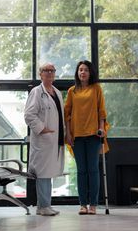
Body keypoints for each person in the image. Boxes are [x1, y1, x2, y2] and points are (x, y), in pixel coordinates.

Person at [64, 60, 108, 216]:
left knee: (93, 170)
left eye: (86, 70)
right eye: (80, 70)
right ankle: (83, 204)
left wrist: (102, 128)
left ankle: (93, 205)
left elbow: (101, 110)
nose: (82, 72)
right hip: (77, 136)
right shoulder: (71, 91)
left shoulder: (96, 89)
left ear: (90, 73)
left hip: (93, 135)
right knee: (81, 171)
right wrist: (68, 133)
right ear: (77, 73)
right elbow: (67, 115)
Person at [24, 63, 64, 216]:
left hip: (55, 139)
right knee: (43, 174)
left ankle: (46, 205)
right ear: (40, 74)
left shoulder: (57, 93)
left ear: (54, 74)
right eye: (46, 70)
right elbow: (29, 115)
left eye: (52, 70)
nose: (49, 73)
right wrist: (42, 128)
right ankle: (42, 206)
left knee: (49, 172)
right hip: (43, 138)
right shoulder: (36, 92)